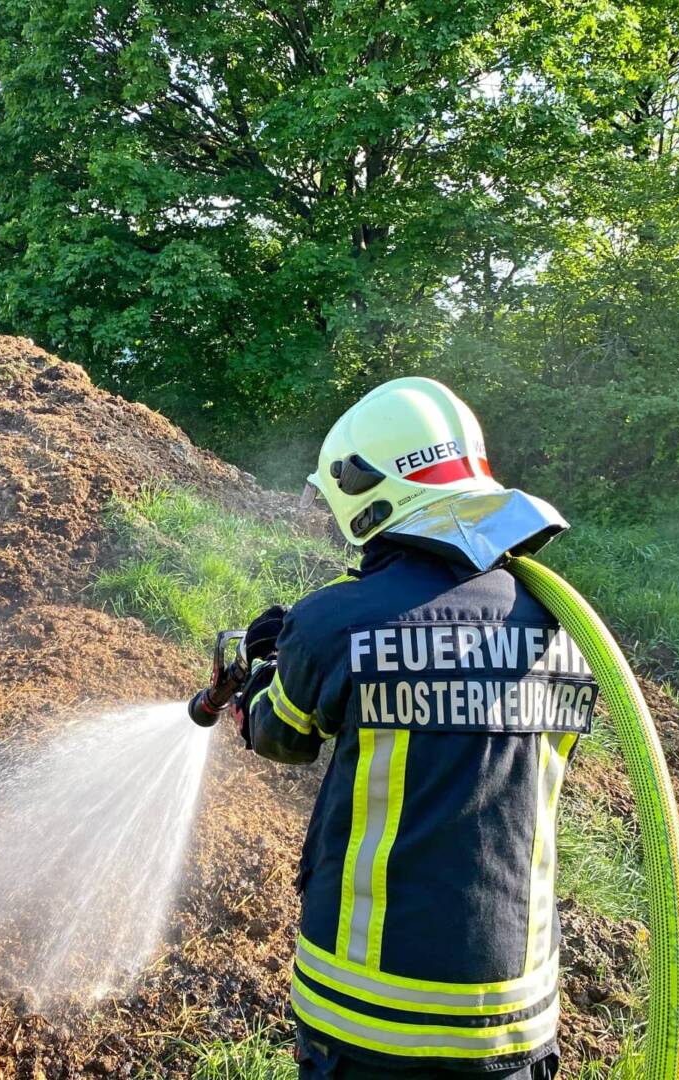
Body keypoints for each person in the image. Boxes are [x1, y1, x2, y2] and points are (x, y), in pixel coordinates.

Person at [235, 378, 596, 1079]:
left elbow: (278, 735)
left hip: (366, 1018)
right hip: (512, 1022)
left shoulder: (337, 620)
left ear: (364, 487)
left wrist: (264, 675)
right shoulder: (566, 630)